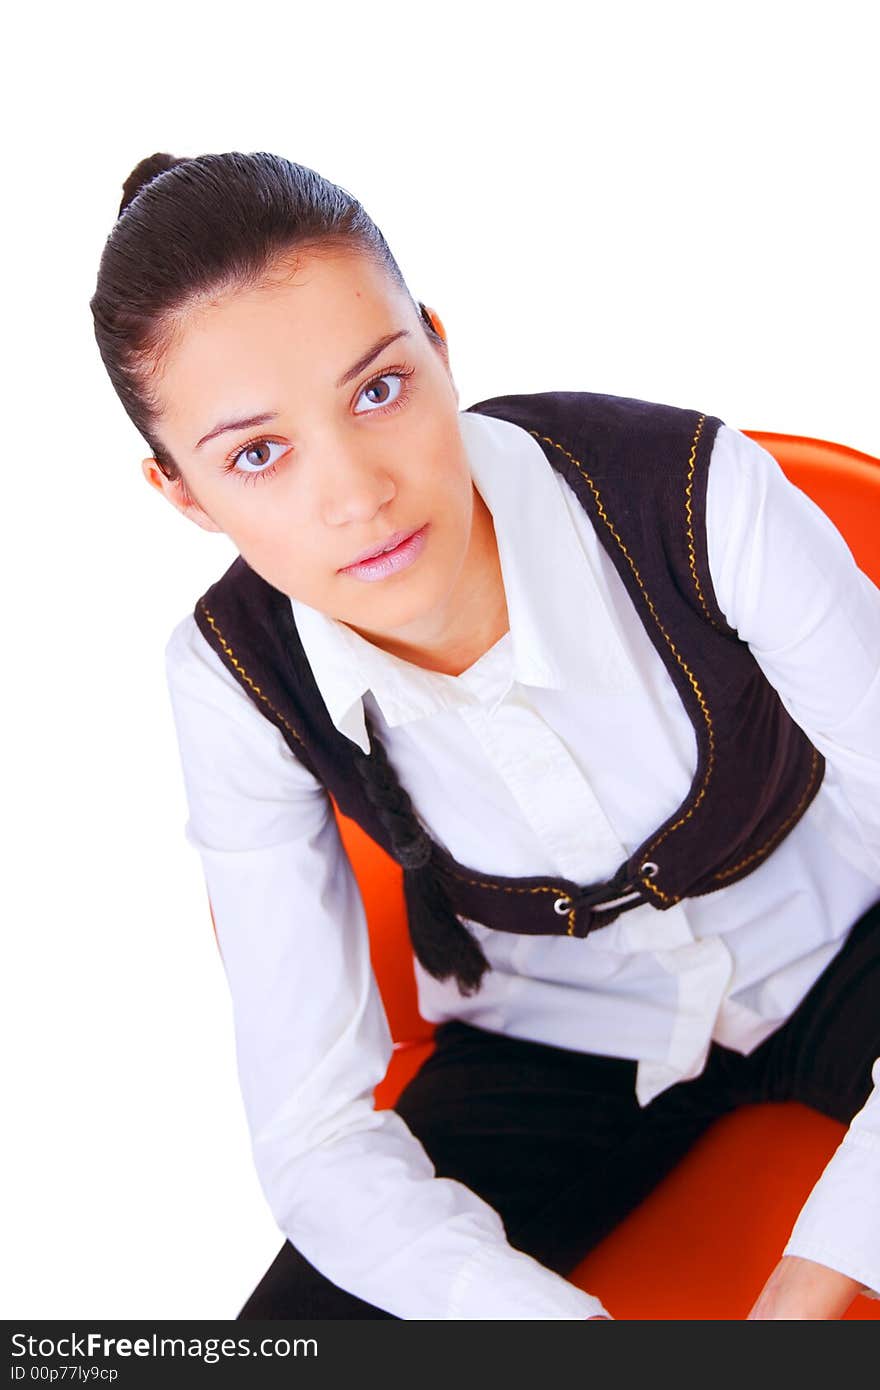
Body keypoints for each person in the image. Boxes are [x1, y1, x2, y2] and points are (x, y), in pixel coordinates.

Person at [90, 149, 880, 1321]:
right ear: (185, 497)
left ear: (438, 348)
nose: (356, 493)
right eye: (258, 454)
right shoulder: (228, 678)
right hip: (550, 1043)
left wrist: (811, 1286)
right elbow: (313, 1136)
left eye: (375, 390)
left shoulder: (698, 497)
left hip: (845, 947)